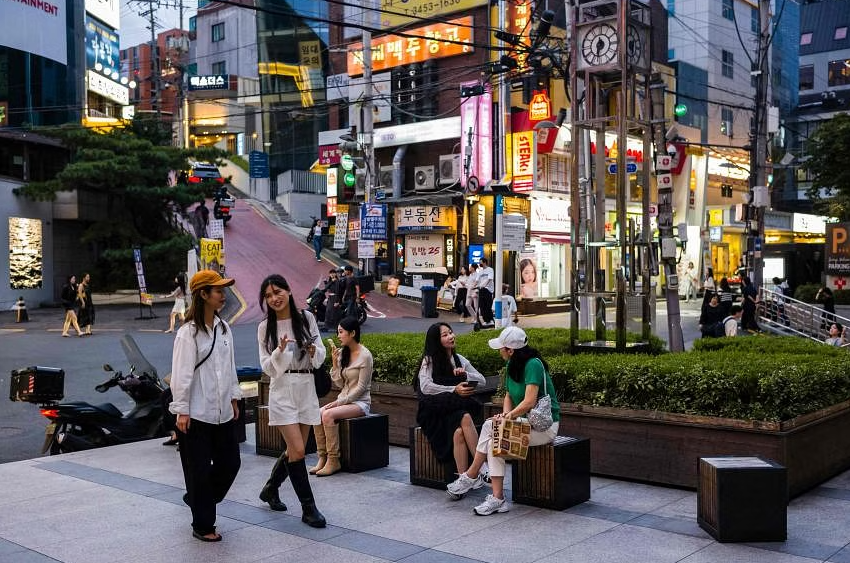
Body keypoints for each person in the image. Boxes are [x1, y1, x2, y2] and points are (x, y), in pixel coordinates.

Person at [446, 326, 559, 516]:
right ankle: (497, 499)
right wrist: (506, 416)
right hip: (523, 422)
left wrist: (508, 417)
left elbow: (530, 401)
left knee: (491, 426)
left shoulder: (533, 365)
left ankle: (472, 475)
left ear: (511, 350)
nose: (499, 351)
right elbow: (508, 395)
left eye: (501, 347)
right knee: (493, 441)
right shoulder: (511, 365)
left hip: (544, 427)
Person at [169, 270, 242, 542]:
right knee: (198, 472)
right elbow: (182, 374)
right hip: (196, 414)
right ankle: (203, 524)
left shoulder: (225, 329)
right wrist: (182, 410)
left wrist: (234, 397)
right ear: (203, 294)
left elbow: (230, 367)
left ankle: (198, 499)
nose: (223, 295)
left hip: (223, 412)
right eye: (218, 291)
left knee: (231, 464)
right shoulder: (188, 333)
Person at [256, 274, 327, 528]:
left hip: (306, 387)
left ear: (288, 290)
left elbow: (321, 354)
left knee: (294, 450)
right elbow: (267, 367)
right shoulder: (265, 327)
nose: (274, 298)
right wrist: (280, 351)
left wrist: (312, 351)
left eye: (277, 292)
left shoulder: (306, 318)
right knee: (297, 451)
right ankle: (309, 509)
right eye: (268, 296)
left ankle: (271, 488)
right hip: (282, 389)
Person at [414, 322, 486, 495]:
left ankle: (464, 479)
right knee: (465, 417)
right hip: (434, 411)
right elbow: (425, 387)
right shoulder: (428, 360)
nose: (451, 336)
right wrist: (453, 388)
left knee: (459, 432)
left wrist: (465, 374)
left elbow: (482, 380)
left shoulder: (459, 359)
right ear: (436, 340)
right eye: (445, 335)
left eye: (451, 332)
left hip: (454, 408)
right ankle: (482, 467)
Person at [311, 316, 373, 477]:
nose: (338, 336)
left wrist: (340, 402)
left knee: (328, 414)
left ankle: (333, 460)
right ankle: (322, 457)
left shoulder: (365, 355)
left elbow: (361, 388)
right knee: (317, 413)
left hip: (360, 403)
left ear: (352, 333)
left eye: (341, 332)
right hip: (344, 401)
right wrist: (335, 363)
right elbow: (339, 384)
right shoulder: (343, 353)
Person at [477, 258, 495, 325]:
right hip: (481, 289)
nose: (480, 264)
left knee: (488, 305)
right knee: (482, 305)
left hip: (488, 289)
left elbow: (489, 279)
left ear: (484, 262)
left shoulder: (490, 269)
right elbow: (477, 280)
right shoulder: (480, 271)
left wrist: (484, 285)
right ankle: (486, 320)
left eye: (480, 262)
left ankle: (490, 320)